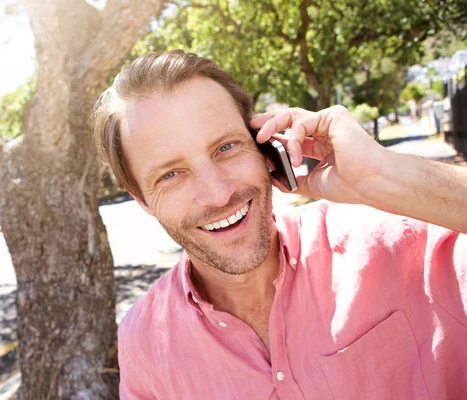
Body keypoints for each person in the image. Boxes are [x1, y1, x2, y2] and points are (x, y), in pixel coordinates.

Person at [90, 50, 467, 400]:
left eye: (226, 147)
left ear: (263, 146)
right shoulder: (143, 342)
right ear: (140, 198)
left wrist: (383, 175)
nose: (219, 194)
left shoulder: (397, 238)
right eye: (171, 174)